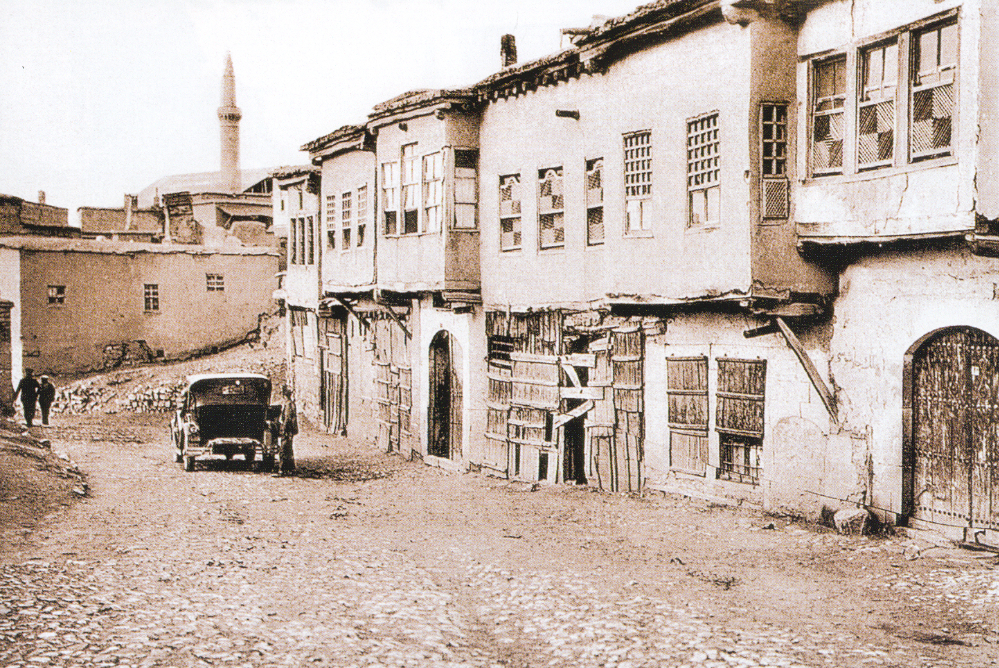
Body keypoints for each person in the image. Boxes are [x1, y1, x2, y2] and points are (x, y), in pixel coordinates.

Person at [278, 385, 297, 475]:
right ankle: (291, 469)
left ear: (285, 396)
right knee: (289, 449)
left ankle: (282, 469)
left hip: (288, 430)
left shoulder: (288, 405)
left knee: (283, 449)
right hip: (291, 430)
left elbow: (287, 418)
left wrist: (284, 429)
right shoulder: (291, 403)